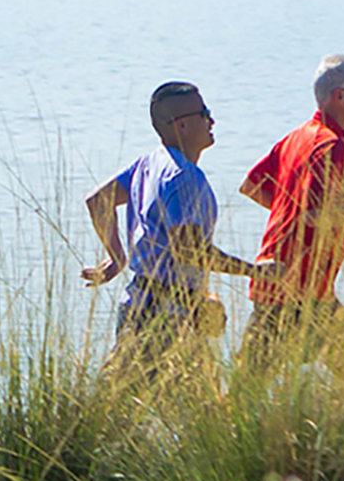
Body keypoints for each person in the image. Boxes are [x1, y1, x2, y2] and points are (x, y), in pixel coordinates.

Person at [84, 81, 269, 381]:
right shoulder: (184, 177)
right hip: (166, 320)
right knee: (139, 412)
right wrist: (254, 271)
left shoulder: (148, 164)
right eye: (204, 113)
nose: (212, 120)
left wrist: (118, 258)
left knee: (135, 410)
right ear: (181, 125)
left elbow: (98, 201)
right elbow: (191, 251)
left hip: (141, 306)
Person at [236, 54, 344, 385]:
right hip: (301, 290)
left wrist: (287, 215)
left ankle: (312, 432)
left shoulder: (298, 136)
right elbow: (314, 214)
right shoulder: (330, 146)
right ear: (340, 96)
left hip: (287, 283)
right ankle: (322, 434)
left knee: (249, 386)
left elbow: (253, 186)